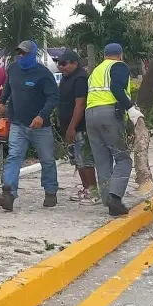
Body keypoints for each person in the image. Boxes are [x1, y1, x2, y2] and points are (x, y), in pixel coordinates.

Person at [0, 40, 60, 211]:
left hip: (40, 126)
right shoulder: (13, 69)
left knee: (46, 160)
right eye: (19, 53)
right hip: (17, 123)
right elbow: (8, 87)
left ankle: (50, 191)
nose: (21, 56)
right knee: (14, 157)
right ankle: (8, 194)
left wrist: (41, 115)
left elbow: (54, 97)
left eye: (24, 53)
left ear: (32, 54)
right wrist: (2, 101)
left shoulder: (43, 74)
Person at [85, 43, 144, 217]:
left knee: (102, 161)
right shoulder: (118, 66)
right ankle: (115, 197)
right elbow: (117, 88)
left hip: (90, 115)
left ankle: (107, 200)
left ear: (104, 55)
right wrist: (131, 109)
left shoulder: (95, 71)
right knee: (123, 159)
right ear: (120, 55)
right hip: (108, 114)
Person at [54, 50, 99, 205]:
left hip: (80, 127)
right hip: (69, 127)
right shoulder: (66, 79)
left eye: (64, 64)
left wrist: (72, 127)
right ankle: (86, 189)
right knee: (77, 161)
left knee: (85, 160)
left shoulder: (80, 78)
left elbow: (80, 104)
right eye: (59, 64)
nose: (61, 67)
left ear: (74, 63)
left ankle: (94, 192)